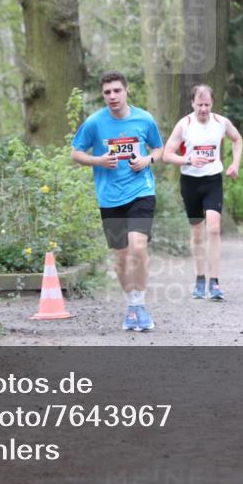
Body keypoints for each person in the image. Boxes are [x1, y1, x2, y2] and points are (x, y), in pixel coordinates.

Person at [71, 71, 164, 332]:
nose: (112, 96)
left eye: (116, 91)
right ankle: (131, 304)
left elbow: (159, 148)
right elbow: (75, 153)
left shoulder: (144, 119)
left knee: (138, 246)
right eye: (107, 92)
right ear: (103, 96)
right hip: (110, 197)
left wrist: (148, 160)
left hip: (141, 191)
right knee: (121, 257)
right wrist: (97, 160)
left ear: (126, 91)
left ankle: (141, 305)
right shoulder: (94, 123)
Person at [162, 84, 243, 301]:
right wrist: (188, 159)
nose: (204, 109)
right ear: (192, 103)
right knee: (197, 232)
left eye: (207, 104)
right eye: (200, 105)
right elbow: (167, 155)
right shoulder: (184, 125)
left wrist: (235, 164)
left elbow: (237, 139)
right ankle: (199, 278)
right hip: (190, 182)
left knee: (214, 229)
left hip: (213, 180)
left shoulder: (221, 123)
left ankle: (214, 282)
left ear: (212, 104)